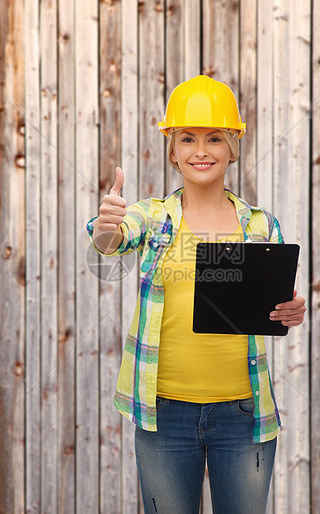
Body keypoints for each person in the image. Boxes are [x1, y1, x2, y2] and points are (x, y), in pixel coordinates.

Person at [87, 75, 306, 514]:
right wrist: (108, 225)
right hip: (165, 414)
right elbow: (110, 241)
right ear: (173, 150)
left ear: (232, 148)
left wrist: (291, 310)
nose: (200, 151)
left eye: (214, 139)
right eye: (187, 138)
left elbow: (277, 302)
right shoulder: (151, 217)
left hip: (242, 415)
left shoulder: (260, 226)